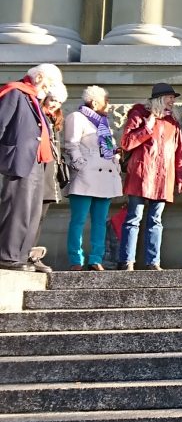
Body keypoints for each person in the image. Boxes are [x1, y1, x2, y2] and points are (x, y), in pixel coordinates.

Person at [0, 64, 64, 272]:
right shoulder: (15, 92)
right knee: (17, 209)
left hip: (38, 162)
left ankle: (22, 254)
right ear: (39, 77)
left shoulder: (32, 97)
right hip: (19, 160)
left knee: (32, 212)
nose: (49, 89)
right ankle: (7, 256)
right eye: (49, 83)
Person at [118, 83, 182, 271]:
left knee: (156, 220)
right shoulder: (139, 114)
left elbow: (178, 152)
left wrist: (181, 177)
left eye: (173, 98)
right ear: (159, 99)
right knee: (134, 218)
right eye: (170, 97)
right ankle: (127, 260)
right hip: (142, 174)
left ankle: (153, 262)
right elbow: (126, 143)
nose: (173, 101)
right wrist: (148, 126)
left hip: (163, 177)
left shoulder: (173, 121)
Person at [64, 86, 124, 272]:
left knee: (100, 221)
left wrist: (116, 160)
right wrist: (80, 164)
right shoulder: (77, 117)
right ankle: (76, 259)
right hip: (85, 176)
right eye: (107, 100)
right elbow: (71, 144)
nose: (109, 105)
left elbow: (107, 149)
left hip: (105, 177)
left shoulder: (103, 123)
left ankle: (96, 259)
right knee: (79, 220)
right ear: (95, 102)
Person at [31, 83, 69, 274]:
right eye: (53, 99)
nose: (55, 104)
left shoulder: (55, 119)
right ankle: (23, 253)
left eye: (59, 101)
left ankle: (30, 253)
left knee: (40, 216)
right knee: (30, 216)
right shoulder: (37, 115)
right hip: (37, 172)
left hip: (49, 174)